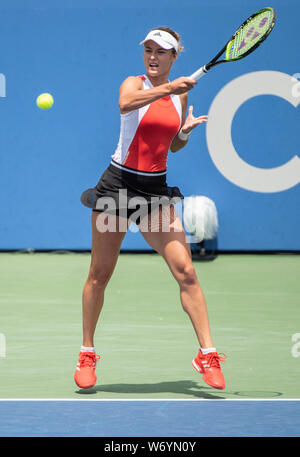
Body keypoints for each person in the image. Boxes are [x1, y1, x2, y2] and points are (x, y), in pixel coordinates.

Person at [74, 27, 226, 390]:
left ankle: (207, 354)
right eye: (148, 50)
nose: (153, 57)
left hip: (154, 193)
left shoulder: (180, 98)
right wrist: (169, 89)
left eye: (161, 52)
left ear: (176, 57)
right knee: (101, 273)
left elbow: (171, 146)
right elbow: (126, 105)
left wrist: (184, 132)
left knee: (186, 270)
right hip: (117, 188)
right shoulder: (135, 83)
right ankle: (87, 352)